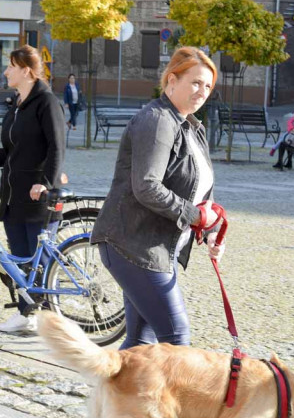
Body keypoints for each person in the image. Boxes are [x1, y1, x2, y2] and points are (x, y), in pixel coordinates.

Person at [89, 47, 223, 349]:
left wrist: (212, 230)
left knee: (141, 344)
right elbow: (147, 186)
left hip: (157, 246)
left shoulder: (191, 126)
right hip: (133, 244)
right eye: (195, 82)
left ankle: (114, 396)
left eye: (208, 86)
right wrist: (195, 217)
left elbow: (200, 187)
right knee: (175, 338)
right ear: (172, 80)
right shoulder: (158, 120)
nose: (202, 91)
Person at [0, 45, 66, 332]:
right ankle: (26, 314)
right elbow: (13, 151)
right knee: (19, 257)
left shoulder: (46, 102)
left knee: (38, 260)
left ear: (27, 71)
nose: (6, 71)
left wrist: (45, 183)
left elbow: (57, 148)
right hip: (14, 193)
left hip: (38, 194)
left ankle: (43, 316)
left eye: (11, 66)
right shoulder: (17, 103)